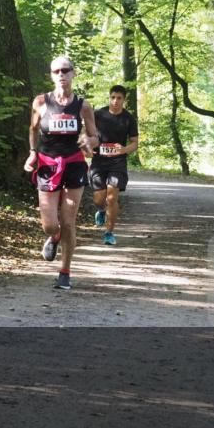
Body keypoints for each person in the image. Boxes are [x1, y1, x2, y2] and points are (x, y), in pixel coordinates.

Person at [24, 56, 98, 291]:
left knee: (68, 222)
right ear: (51, 75)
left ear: (73, 73)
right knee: (50, 224)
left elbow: (95, 136)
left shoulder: (83, 105)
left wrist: (89, 141)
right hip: (47, 164)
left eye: (65, 70)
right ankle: (53, 237)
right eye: (56, 71)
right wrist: (33, 152)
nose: (61, 75)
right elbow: (33, 129)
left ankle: (65, 272)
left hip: (74, 163)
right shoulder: (40, 102)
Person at [90, 84, 139, 245]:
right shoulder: (98, 115)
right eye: (113, 97)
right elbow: (87, 134)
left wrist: (123, 150)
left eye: (119, 98)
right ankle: (100, 210)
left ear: (124, 100)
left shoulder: (128, 118)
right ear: (109, 97)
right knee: (100, 198)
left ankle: (109, 233)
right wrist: (87, 148)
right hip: (98, 162)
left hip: (117, 163)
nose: (115, 101)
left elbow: (134, 143)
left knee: (112, 198)